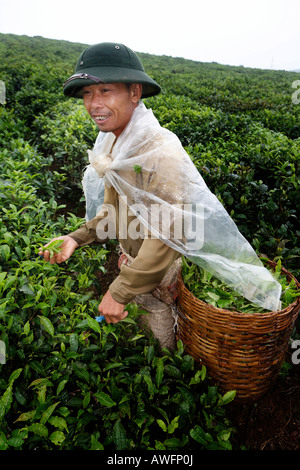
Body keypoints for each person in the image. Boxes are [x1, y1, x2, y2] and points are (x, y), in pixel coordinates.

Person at [40, 42, 282, 351]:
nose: (94, 104)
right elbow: (113, 215)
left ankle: (166, 375)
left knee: (159, 336)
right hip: (133, 265)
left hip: (158, 271)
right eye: (87, 93)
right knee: (140, 327)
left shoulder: (160, 152)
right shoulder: (116, 144)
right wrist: (77, 237)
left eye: (105, 91)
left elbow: (166, 234)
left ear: (135, 93)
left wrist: (119, 291)